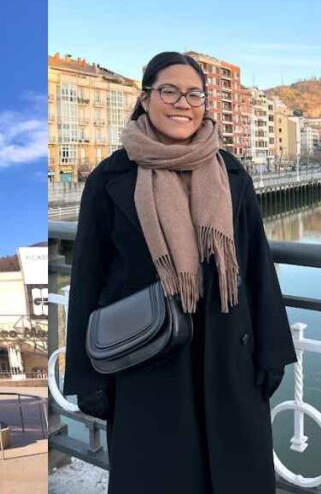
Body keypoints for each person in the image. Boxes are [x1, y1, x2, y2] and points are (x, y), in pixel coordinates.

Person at [62, 51, 298, 493]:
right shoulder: (111, 177)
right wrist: (87, 374)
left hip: (228, 355)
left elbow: (256, 266)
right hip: (146, 359)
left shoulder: (229, 172)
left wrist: (272, 352)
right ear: (146, 98)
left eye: (194, 94)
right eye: (169, 91)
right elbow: (87, 279)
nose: (182, 103)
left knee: (234, 474)